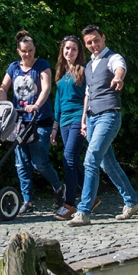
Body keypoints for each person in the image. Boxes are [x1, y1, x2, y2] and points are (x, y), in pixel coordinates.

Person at [67, 25, 138, 226]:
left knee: (90, 160)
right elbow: (88, 94)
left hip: (108, 116)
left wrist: (118, 77)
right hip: (91, 118)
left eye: (96, 40)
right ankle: (132, 201)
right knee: (107, 163)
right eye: (89, 43)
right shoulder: (89, 66)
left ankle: (83, 211)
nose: (93, 45)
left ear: (103, 38)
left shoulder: (112, 58)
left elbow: (120, 67)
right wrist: (83, 119)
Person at [0, 30, 64, 214]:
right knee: (21, 163)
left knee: (39, 162)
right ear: (18, 51)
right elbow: (3, 88)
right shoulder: (13, 67)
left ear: (35, 50)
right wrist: (5, 105)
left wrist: (36, 105)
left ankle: (58, 188)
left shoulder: (41, 65)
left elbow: (46, 87)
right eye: (24, 51)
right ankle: (27, 201)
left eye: (31, 51)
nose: (27, 54)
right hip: (19, 121)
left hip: (39, 120)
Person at [51, 35, 87, 221]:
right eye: (67, 48)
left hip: (77, 119)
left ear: (79, 52)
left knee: (69, 159)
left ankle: (70, 204)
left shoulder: (83, 71)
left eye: (73, 49)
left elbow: (89, 97)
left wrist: (85, 120)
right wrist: (54, 128)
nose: (69, 52)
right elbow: (58, 102)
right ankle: (92, 197)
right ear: (62, 51)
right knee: (73, 162)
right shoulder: (60, 72)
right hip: (64, 122)